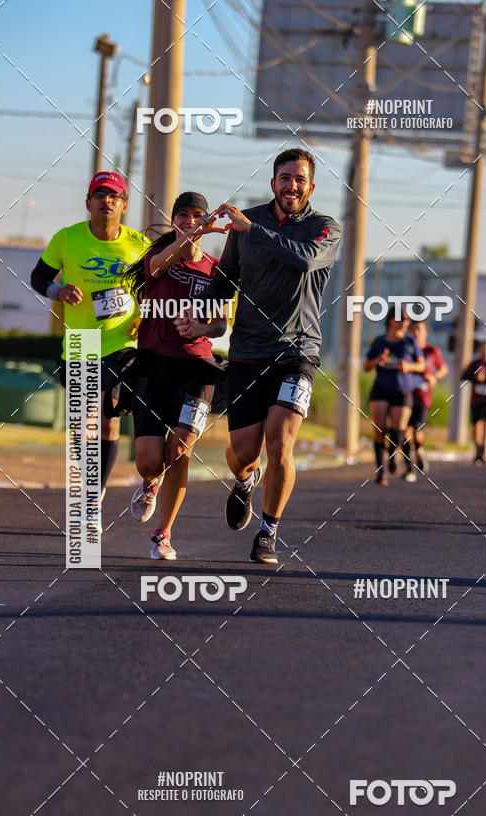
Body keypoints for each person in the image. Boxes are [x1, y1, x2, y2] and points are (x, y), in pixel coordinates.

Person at [175, 148, 341, 564]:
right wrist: (199, 312)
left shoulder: (324, 228)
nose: (292, 186)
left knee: (280, 442)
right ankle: (245, 480)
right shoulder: (244, 226)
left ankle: (268, 532)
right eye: (285, 178)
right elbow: (224, 280)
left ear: (311, 187)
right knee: (244, 452)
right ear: (273, 183)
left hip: (297, 351)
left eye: (300, 179)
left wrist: (253, 230)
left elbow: (304, 261)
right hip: (247, 351)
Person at [30, 171, 149, 517]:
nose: (106, 201)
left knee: (106, 420)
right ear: (88, 203)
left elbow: (155, 289)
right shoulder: (66, 239)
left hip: (122, 342)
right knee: (85, 424)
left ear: (124, 205)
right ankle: (88, 492)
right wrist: (58, 291)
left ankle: (92, 502)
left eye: (113, 196)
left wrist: (147, 316)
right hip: (81, 343)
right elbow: (39, 276)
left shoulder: (139, 245)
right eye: (99, 195)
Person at [123, 192, 227, 560]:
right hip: (154, 365)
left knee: (180, 449)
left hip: (196, 368)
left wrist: (200, 325)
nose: (190, 220)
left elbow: (219, 325)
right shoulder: (159, 259)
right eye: (182, 215)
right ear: (174, 221)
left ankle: (162, 534)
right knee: (150, 460)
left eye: (197, 215)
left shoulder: (215, 268)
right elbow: (158, 265)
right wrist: (192, 234)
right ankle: (150, 482)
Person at [363, 310, 426, 486]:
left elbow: (422, 365)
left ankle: (392, 455)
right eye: (402, 319)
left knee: (398, 430)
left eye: (407, 320)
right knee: (379, 430)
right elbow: (366, 366)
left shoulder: (410, 342)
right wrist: (378, 361)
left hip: (403, 390)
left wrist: (409, 366)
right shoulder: (379, 341)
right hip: (381, 389)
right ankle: (380, 472)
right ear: (391, 320)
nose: (405, 323)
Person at [401, 320, 448, 481]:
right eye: (412, 329)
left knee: (417, 433)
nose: (415, 332)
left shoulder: (432, 351)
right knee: (404, 434)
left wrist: (434, 377)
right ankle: (408, 469)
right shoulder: (405, 350)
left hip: (422, 398)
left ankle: (419, 451)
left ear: (426, 333)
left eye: (419, 329)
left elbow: (443, 368)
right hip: (405, 396)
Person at [461, 342, 486, 465]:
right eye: (483, 348)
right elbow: (464, 376)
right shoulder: (475, 363)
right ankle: (478, 450)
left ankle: (485, 451)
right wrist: (475, 377)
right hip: (476, 400)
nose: (485, 350)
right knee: (476, 426)